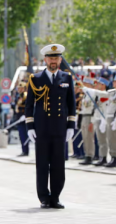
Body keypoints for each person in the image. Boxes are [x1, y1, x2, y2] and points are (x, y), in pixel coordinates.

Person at [25, 44, 76, 209]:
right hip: (42, 128)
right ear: (45, 59)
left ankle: (55, 197)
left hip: (60, 128)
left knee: (58, 164)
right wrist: (30, 126)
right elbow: (29, 105)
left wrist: (71, 126)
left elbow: (71, 104)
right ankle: (44, 198)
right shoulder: (36, 79)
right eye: (50, 58)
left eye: (56, 58)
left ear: (60, 60)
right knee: (42, 164)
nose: (53, 61)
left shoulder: (66, 78)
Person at [80, 77, 109, 165]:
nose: (97, 85)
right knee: (86, 137)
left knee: (94, 138)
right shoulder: (88, 94)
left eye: (99, 84)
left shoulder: (97, 94)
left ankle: (93, 156)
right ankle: (88, 155)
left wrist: (92, 121)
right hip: (86, 116)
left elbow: (94, 108)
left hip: (94, 117)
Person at [14, 80, 29, 156]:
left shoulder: (26, 96)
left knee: (24, 135)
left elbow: (28, 107)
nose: (19, 89)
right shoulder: (18, 96)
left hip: (24, 119)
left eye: (21, 88)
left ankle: (26, 151)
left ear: (24, 88)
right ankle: (24, 150)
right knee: (21, 136)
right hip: (19, 119)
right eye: (18, 88)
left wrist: (25, 115)